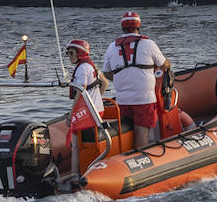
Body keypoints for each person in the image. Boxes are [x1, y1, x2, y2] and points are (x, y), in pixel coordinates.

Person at [102, 11, 169, 148]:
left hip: (122, 100)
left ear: (122, 27)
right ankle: (141, 161)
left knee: (127, 131)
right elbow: (163, 64)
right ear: (138, 26)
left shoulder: (112, 47)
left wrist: (123, 78)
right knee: (142, 132)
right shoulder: (148, 43)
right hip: (144, 99)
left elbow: (106, 73)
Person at [65, 38, 110, 173]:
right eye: (67, 53)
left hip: (88, 113)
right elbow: (105, 83)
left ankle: (74, 174)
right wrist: (96, 99)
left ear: (80, 53)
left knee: (75, 145)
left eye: (71, 53)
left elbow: (80, 91)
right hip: (96, 110)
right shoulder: (91, 65)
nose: (69, 56)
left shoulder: (82, 69)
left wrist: (72, 114)